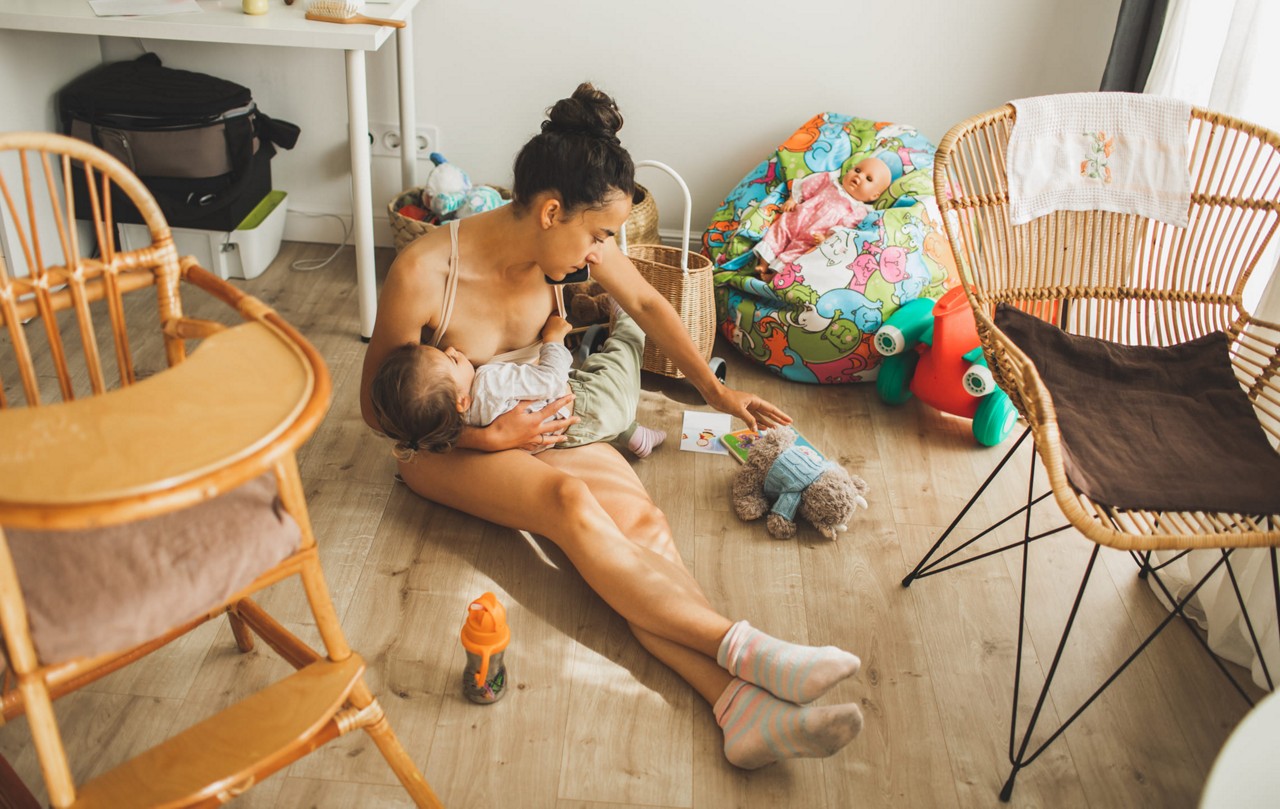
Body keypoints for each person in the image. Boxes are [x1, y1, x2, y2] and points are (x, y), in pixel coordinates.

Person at [360, 82, 865, 769]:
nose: (604, 249)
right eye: (599, 234)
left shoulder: (571, 247)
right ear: (548, 210)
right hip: (444, 444)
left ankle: (739, 709)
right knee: (568, 503)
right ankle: (747, 649)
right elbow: (378, 414)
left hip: (539, 425)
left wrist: (717, 390)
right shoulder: (426, 271)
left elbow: (653, 306)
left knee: (643, 528)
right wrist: (487, 437)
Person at [369, 306, 667, 459]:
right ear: (461, 400)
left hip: (573, 435)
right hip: (590, 401)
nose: (450, 350)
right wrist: (553, 339)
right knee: (620, 354)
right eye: (449, 360)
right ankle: (629, 315)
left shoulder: (451, 423)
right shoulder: (487, 381)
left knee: (603, 400)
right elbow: (551, 380)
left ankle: (634, 436)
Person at [754, 156, 892, 275]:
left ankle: (773, 276)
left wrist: (826, 238)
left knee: (798, 255)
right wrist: (793, 199)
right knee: (778, 231)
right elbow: (806, 187)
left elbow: (844, 229)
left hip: (813, 236)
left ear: (874, 196)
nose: (859, 176)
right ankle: (763, 263)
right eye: (857, 170)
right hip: (795, 218)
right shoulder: (828, 182)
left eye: (868, 178)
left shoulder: (859, 211)